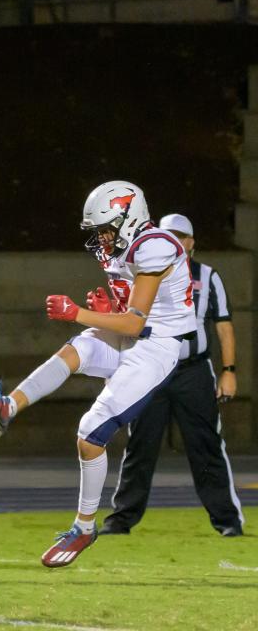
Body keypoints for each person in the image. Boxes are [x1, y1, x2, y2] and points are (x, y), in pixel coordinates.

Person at [0, 181, 196, 567]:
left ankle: (84, 527)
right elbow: (128, 311)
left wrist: (77, 312)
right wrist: (107, 306)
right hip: (137, 335)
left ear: (128, 217)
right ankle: (8, 406)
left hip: (157, 347)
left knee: (91, 435)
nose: (102, 238)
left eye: (106, 228)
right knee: (75, 350)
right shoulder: (125, 249)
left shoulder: (155, 245)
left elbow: (134, 323)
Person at [99, 213, 244, 537]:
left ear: (192, 242)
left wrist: (229, 370)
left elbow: (224, 326)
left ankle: (227, 520)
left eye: (181, 235)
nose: (174, 240)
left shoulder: (207, 276)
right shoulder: (141, 272)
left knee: (206, 445)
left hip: (192, 371)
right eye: (168, 235)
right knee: (140, 444)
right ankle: (122, 518)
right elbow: (128, 321)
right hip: (150, 366)